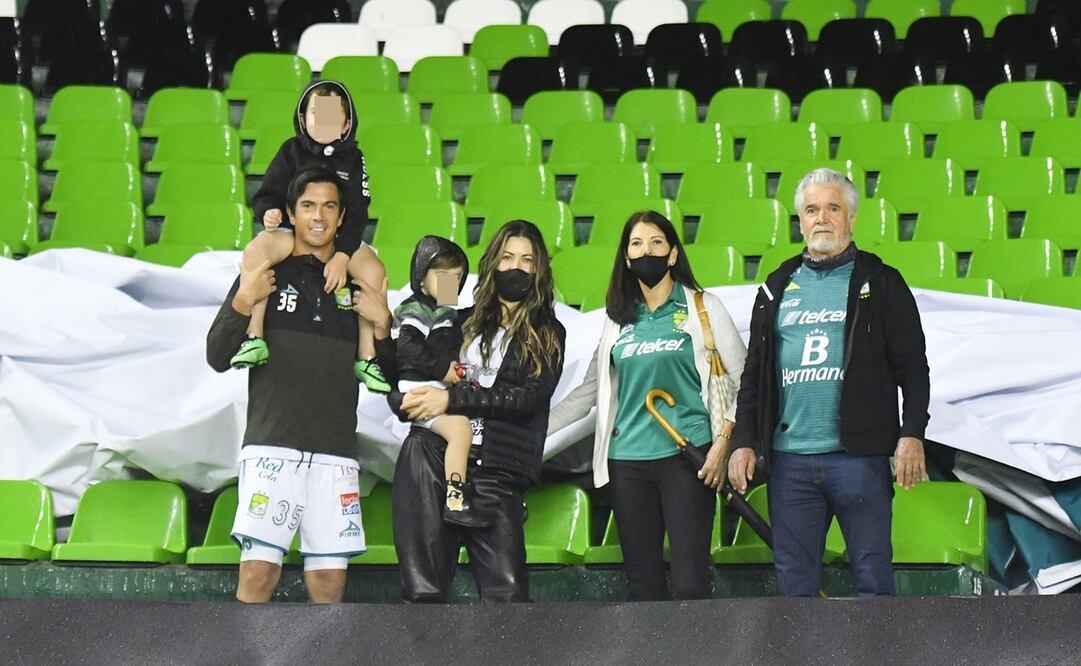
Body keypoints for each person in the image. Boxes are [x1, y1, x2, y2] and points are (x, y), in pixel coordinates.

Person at [727, 167, 931, 597]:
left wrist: (912, 434)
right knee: (794, 589)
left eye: (833, 208)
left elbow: (914, 367)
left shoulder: (882, 281)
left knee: (873, 582)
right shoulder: (776, 285)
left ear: (852, 219)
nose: (822, 218)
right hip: (790, 464)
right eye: (812, 209)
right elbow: (755, 375)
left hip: (860, 461)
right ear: (800, 220)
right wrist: (744, 440)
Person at [351, 220, 566, 603]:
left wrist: (451, 400)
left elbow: (527, 400)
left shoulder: (548, 331)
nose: (516, 267)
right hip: (429, 458)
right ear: (491, 265)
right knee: (423, 593)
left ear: (539, 270)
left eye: (527, 260)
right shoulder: (455, 319)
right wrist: (383, 329)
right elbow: (400, 375)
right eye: (507, 257)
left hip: (498, 470)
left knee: (508, 597)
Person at [547, 211, 746, 601]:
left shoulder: (703, 308)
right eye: (636, 244)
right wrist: (529, 431)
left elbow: (744, 382)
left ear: (672, 254)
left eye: (656, 242)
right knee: (642, 583)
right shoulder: (617, 319)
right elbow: (589, 392)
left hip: (689, 460)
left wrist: (723, 443)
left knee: (690, 581)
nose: (646, 251)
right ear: (625, 258)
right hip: (627, 463)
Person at [206, 167, 366, 603]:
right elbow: (217, 356)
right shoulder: (265, 270)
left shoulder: (357, 282)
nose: (319, 217)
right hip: (273, 445)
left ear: (342, 215)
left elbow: (383, 369)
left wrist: (384, 323)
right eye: (308, 206)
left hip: (336, 453)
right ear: (291, 214)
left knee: (329, 585)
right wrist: (242, 298)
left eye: (329, 206)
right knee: (258, 576)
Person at [230, 79, 390, 394]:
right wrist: (270, 213)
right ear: (303, 119)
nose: (325, 122)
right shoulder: (290, 150)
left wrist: (343, 255)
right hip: (293, 233)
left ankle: (367, 355)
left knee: (375, 270)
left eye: (334, 116)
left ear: (346, 123)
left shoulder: (354, 159)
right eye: (318, 114)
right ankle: (254, 336)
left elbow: (358, 212)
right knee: (257, 250)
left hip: (339, 238)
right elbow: (267, 194)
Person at [390, 235, 477, 523]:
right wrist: (443, 370)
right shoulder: (417, 309)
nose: (449, 282)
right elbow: (408, 346)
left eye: (457, 277)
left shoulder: (446, 312)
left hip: (436, 386)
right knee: (461, 431)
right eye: (441, 275)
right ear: (421, 277)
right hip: (419, 388)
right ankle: (455, 498)